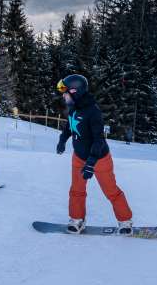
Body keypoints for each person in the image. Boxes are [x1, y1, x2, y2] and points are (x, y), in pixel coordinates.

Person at [56, 74, 133, 235]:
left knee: (111, 191)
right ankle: (77, 220)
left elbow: (98, 140)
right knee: (76, 190)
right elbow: (69, 127)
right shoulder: (73, 108)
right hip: (78, 157)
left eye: (65, 92)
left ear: (75, 91)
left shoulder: (93, 112)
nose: (63, 96)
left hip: (99, 158)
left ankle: (125, 221)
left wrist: (91, 163)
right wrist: (62, 140)